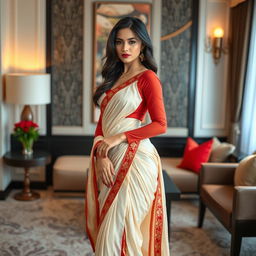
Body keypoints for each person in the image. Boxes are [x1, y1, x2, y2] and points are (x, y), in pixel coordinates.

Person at [85, 17, 170, 255]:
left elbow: (160, 125)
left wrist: (118, 138)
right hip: (109, 160)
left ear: (142, 45)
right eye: (120, 42)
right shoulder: (113, 79)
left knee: (120, 235)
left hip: (136, 160)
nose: (125, 48)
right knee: (108, 231)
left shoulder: (148, 78)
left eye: (132, 42)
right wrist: (101, 154)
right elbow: (101, 126)